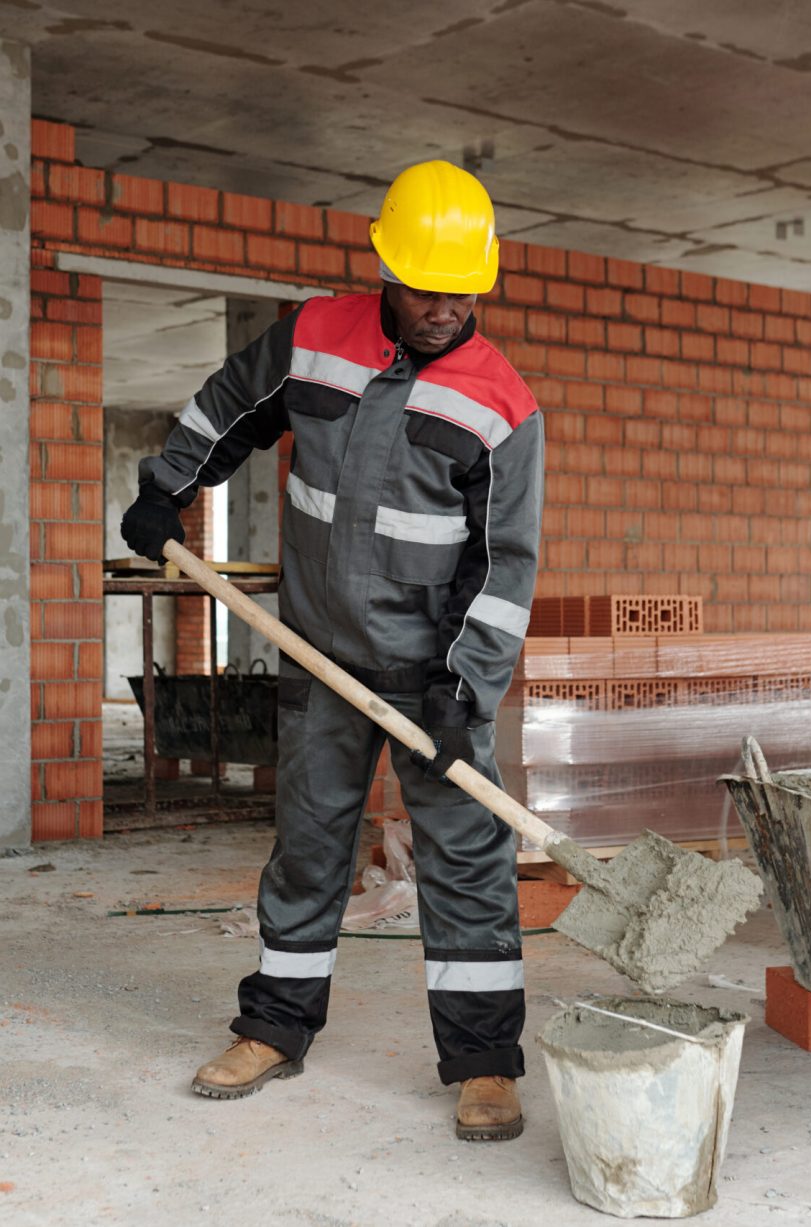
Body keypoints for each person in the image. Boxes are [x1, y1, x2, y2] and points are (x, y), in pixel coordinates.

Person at [121, 160, 544, 1142]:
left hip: (433, 679)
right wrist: (167, 485)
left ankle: (483, 1065)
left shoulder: (502, 405)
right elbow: (227, 406)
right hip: (317, 659)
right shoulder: (315, 338)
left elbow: (506, 566)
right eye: (425, 285)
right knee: (308, 850)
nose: (442, 306)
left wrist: (466, 689)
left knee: (466, 863)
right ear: (387, 266)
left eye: (460, 289)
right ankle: (274, 1029)